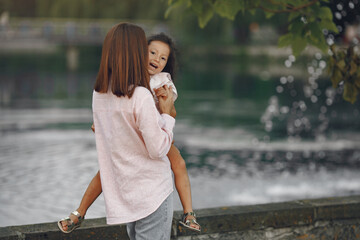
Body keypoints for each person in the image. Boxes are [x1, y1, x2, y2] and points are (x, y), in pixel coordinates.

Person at [57, 31, 201, 234]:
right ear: (140, 53)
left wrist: (165, 112)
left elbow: (170, 112)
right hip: (137, 140)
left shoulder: (160, 81)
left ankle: (189, 213)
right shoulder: (128, 83)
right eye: (152, 52)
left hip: (155, 134)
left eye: (162, 58)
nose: (155, 59)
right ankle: (79, 212)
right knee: (107, 170)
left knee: (178, 163)